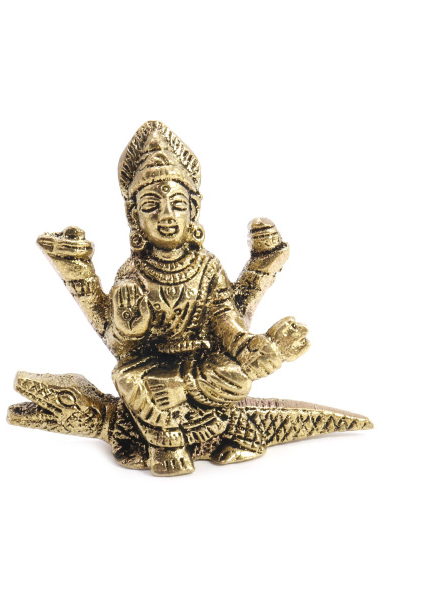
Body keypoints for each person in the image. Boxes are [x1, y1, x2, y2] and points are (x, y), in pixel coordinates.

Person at [105, 121, 304, 476]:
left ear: (193, 210)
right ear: (133, 216)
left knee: (236, 377)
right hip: (153, 366)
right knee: (126, 378)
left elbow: (224, 317)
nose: (166, 216)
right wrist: (129, 323)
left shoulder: (207, 265)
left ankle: (185, 402)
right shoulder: (131, 271)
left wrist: (242, 343)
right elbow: (125, 343)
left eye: (177, 204)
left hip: (201, 365)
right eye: (151, 206)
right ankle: (167, 445)